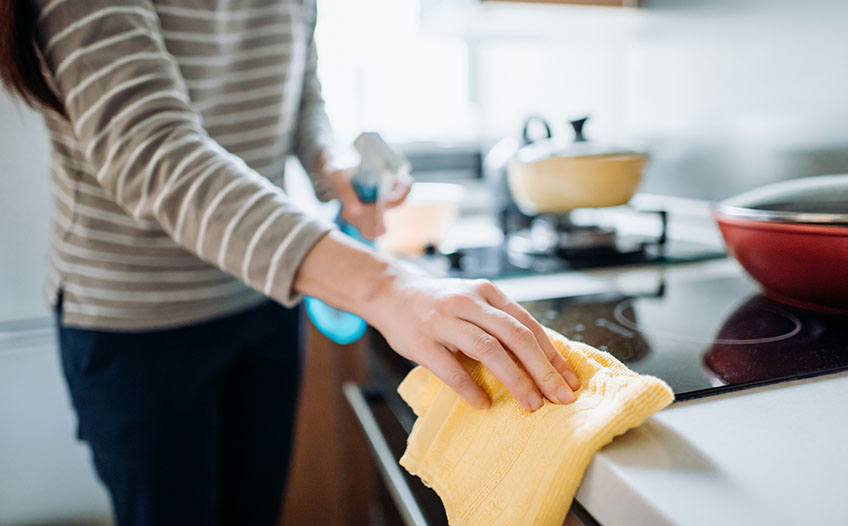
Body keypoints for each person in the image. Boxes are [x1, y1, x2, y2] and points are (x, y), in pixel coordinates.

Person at [0, 0, 580, 524]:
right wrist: (387, 288)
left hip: (261, 301)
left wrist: (332, 167)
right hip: (138, 325)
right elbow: (153, 150)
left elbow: (302, 101)